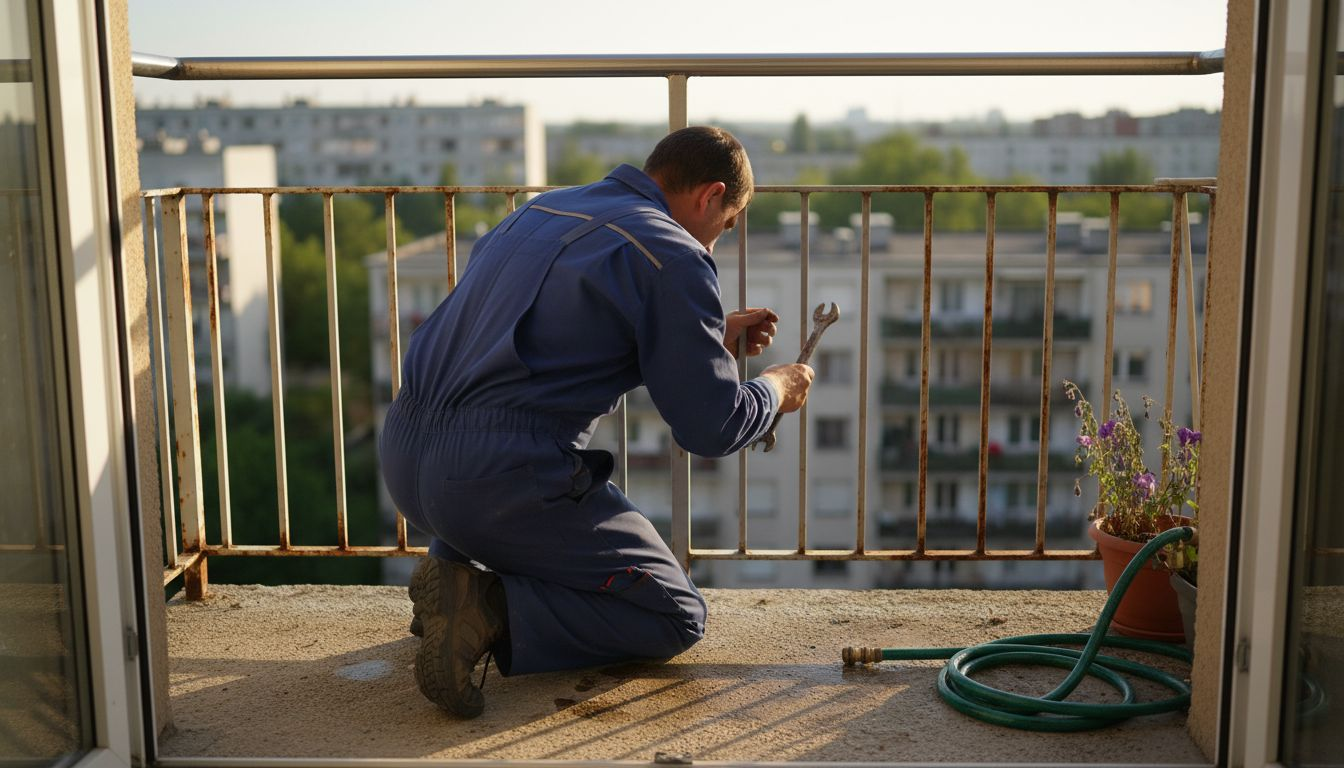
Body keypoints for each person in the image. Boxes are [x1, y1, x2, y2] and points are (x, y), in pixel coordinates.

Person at [378, 126, 815, 718]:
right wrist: (775, 389)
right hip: (495, 482)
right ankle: (486, 608)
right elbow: (711, 427)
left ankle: (452, 572)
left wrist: (705, 337)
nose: (723, 235)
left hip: (407, 459)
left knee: (494, 480)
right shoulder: (675, 255)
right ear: (712, 196)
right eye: (730, 220)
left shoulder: (544, 208)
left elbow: (547, 341)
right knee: (675, 615)